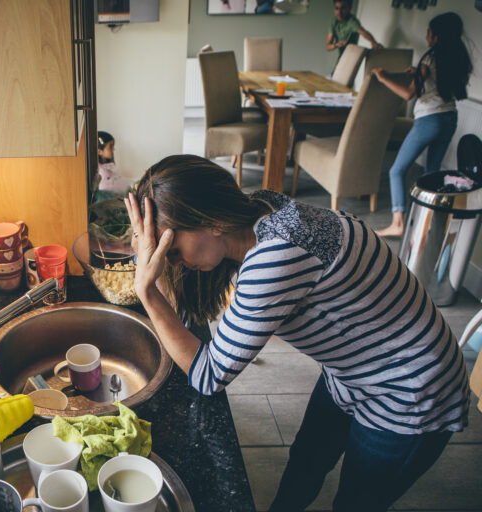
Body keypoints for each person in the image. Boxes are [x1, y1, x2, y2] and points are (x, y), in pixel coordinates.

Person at [124, 154, 469, 512]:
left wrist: (147, 289)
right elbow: (180, 320)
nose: (172, 262)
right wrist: (148, 261)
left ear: (212, 222)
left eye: (172, 250)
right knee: (306, 461)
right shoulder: (261, 208)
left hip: (409, 389)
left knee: (356, 501)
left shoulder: (275, 256)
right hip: (351, 372)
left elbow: (207, 375)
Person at [373, 12, 472, 237]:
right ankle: (429, 221)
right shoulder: (455, 57)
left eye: (428, 32)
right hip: (449, 118)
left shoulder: (429, 58)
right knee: (432, 172)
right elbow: (440, 83)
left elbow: (408, 94)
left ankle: (398, 223)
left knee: (397, 170)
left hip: (429, 120)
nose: (426, 37)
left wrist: (382, 78)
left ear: (436, 37)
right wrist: (418, 73)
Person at [94, 131, 133, 203]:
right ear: (99, 151)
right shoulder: (102, 171)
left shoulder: (108, 166)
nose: (113, 149)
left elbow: (119, 181)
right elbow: (106, 188)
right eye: (110, 147)